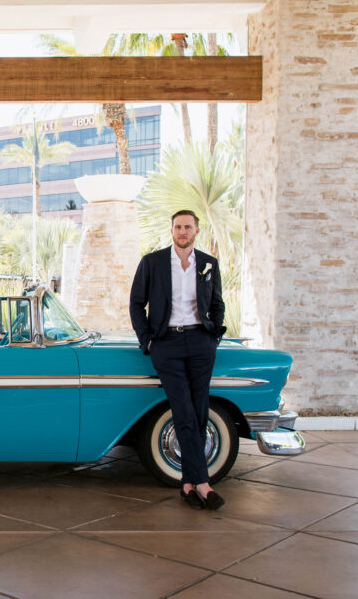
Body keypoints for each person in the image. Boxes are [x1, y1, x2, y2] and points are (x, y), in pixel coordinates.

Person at [129, 210, 227, 510]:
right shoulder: (153, 262)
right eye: (177, 227)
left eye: (187, 227)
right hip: (167, 343)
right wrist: (147, 340)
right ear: (171, 230)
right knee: (183, 410)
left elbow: (218, 303)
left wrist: (214, 336)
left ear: (196, 230)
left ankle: (187, 484)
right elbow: (136, 304)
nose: (182, 231)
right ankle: (204, 484)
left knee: (199, 412)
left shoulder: (209, 264)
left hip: (200, 341)